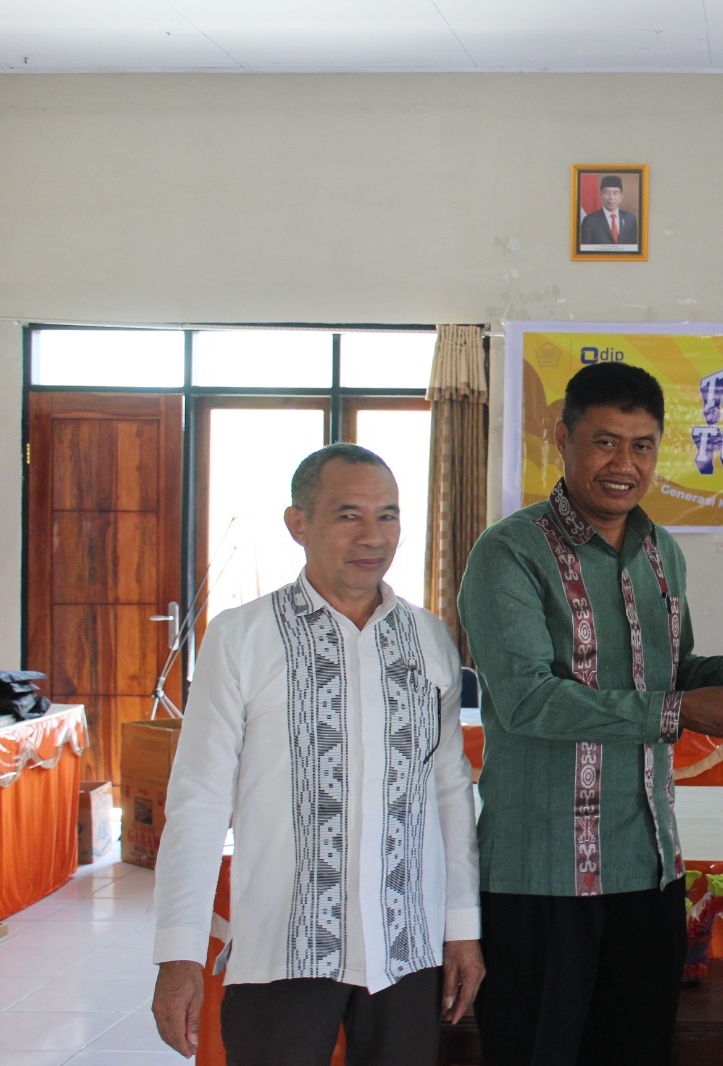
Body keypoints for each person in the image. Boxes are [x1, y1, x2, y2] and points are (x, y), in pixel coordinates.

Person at [458, 361, 723, 1064]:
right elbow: (529, 700)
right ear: (563, 439)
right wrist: (678, 711)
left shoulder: (663, 552)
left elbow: (671, 674)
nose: (624, 465)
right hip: (542, 877)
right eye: (605, 442)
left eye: (642, 446)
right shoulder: (509, 552)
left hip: (648, 867)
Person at [151, 443, 483, 1065]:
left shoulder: (428, 639)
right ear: (297, 524)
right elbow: (199, 799)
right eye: (347, 515)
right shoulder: (241, 637)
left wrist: (463, 929)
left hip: (406, 946)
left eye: (388, 515)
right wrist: (179, 952)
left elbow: (449, 792)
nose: (372, 536)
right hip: (283, 946)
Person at [578, 173, 639, 247]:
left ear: (621, 196)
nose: (611, 197)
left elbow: (634, 248)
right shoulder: (589, 221)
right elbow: (585, 251)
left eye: (615, 193)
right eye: (606, 192)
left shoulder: (630, 219)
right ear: (600, 195)